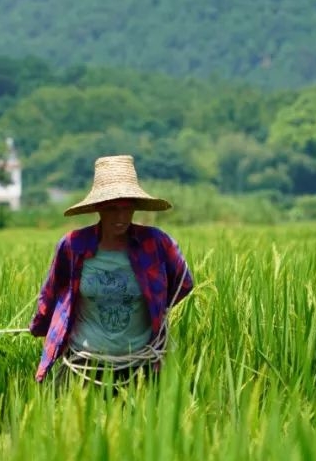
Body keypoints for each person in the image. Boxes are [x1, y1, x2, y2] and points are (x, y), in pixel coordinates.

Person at [29, 155, 194, 385]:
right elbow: (52, 292)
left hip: (139, 366)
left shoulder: (155, 244)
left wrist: (155, 305)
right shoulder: (73, 245)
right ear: (98, 208)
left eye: (127, 208)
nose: (121, 217)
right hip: (84, 364)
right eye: (112, 208)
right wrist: (40, 327)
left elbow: (184, 284)